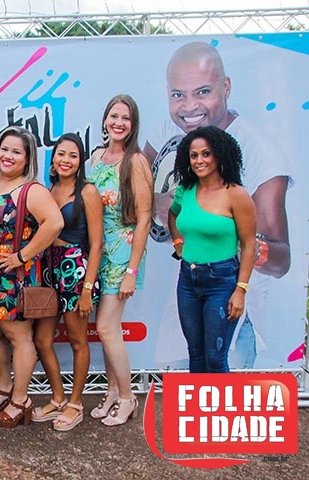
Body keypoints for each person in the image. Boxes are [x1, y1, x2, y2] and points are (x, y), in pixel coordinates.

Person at [145, 42, 291, 369]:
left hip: (233, 296)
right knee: (191, 367)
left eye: (202, 91)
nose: (189, 106)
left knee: (217, 365)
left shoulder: (258, 160)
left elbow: (281, 260)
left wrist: (239, 249)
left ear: (226, 87)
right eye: (178, 95)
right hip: (186, 283)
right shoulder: (170, 132)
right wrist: (167, 220)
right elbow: (144, 195)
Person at [0, 126, 64, 429]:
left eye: (16, 151)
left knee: (19, 338)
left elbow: (55, 223)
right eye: (4, 148)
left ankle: (21, 399)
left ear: (27, 158)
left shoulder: (31, 190)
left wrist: (23, 256)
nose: (7, 155)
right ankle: (5, 387)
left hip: (12, 277)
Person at [86, 94, 153, 426]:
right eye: (114, 116)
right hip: (97, 251)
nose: (119, 123)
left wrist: (131, 271)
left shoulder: (136, 161)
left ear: (133, 124)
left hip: (122, 253)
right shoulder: (96, 157)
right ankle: (112, 391)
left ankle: (128, 398)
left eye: (126, 118)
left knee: (106, 327)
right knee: (106, 331)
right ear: (105, 120)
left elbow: (144, 218)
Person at [169, 126, 256, 372]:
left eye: (206, 154)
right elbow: (173, 216)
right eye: (194, 155)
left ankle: (219, 400)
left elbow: (249, 245)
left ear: (219, 154)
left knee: (215, 358)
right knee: (195, 354)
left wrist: (240, 290)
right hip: (188, 280)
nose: (199, 160)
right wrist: (178, 243)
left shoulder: (236, 195)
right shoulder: (186, 190)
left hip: (222, 281)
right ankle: (200, 399)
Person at [32, 133, 103, 432]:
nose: (66, 160)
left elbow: (97, 245)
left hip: (75, 271)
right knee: (41, 340)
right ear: (53, 158)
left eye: (73, 155)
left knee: (77, 340)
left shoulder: (88, 192)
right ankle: (58, 397)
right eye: (61, 154)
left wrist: (87, 289)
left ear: (80, 161)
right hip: (49, 269)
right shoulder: (47, 190)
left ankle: (75, 404)